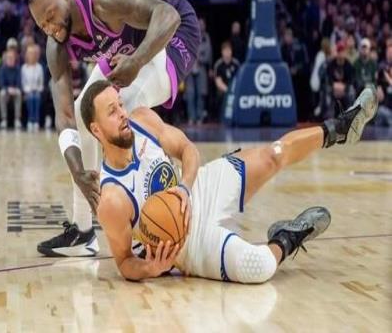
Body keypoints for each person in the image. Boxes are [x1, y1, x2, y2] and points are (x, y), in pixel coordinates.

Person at [83, 80, 377, 282]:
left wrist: (185, 186)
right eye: (112, 111)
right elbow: (124, 262)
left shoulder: (142, 120)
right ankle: (287, 237)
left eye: (120, 104)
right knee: (259, 267)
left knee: (273, 154)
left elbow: (187, 149)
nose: (122, 114)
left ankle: (339, 128)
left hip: (198, 189)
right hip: (186, 244)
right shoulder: (112, 199)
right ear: (96, 130)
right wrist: (151, 267)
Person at [28, 0, 201, 257]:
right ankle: (83, 232)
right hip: (129, 51)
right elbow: (65, 117)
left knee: (124, 111)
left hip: (174, 32)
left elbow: (168, 15)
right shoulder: (55, 45)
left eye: (51, 15)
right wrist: (78, 172)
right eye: (41, 24)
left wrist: (137, 61)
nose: (50, 27)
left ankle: (148, 225)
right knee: (85, 113)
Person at [213, 42, 240, 123]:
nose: (227, 53)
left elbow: (239, 79)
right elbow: (218, 82)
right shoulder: (218, 65)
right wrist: (228, 91)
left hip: (235, 89)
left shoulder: (236, 64)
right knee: (219, 95)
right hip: (224, 89)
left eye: (229, 50)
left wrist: (234, 90)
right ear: (222, 52)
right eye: (225, 51)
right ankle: (220, 117)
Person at [21, 44, 44, 131]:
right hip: (27, 91)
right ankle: (31, 120)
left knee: (36, 97)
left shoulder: (39, 67)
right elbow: (23, 83)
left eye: (32, 53)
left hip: (37, 90)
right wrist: (28, 90)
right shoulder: (24, 68)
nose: (31, 55)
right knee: (31, 97)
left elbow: (41, 83)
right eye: (29, 53)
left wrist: (37, 89)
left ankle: (36, 121)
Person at [0, 48, 22, 129]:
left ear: (15, 59)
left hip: (15, 91)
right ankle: (4, 119)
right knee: (2, 93)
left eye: (12, 58)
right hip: (6, 91)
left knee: (18, 93)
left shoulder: (17, 68)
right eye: (9, 58)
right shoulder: (2, 69)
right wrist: (8, 89)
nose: (10, 60)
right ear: (6, 59)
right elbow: (1, 84)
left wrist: (14, 89)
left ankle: (17, 119)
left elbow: (19, 83)